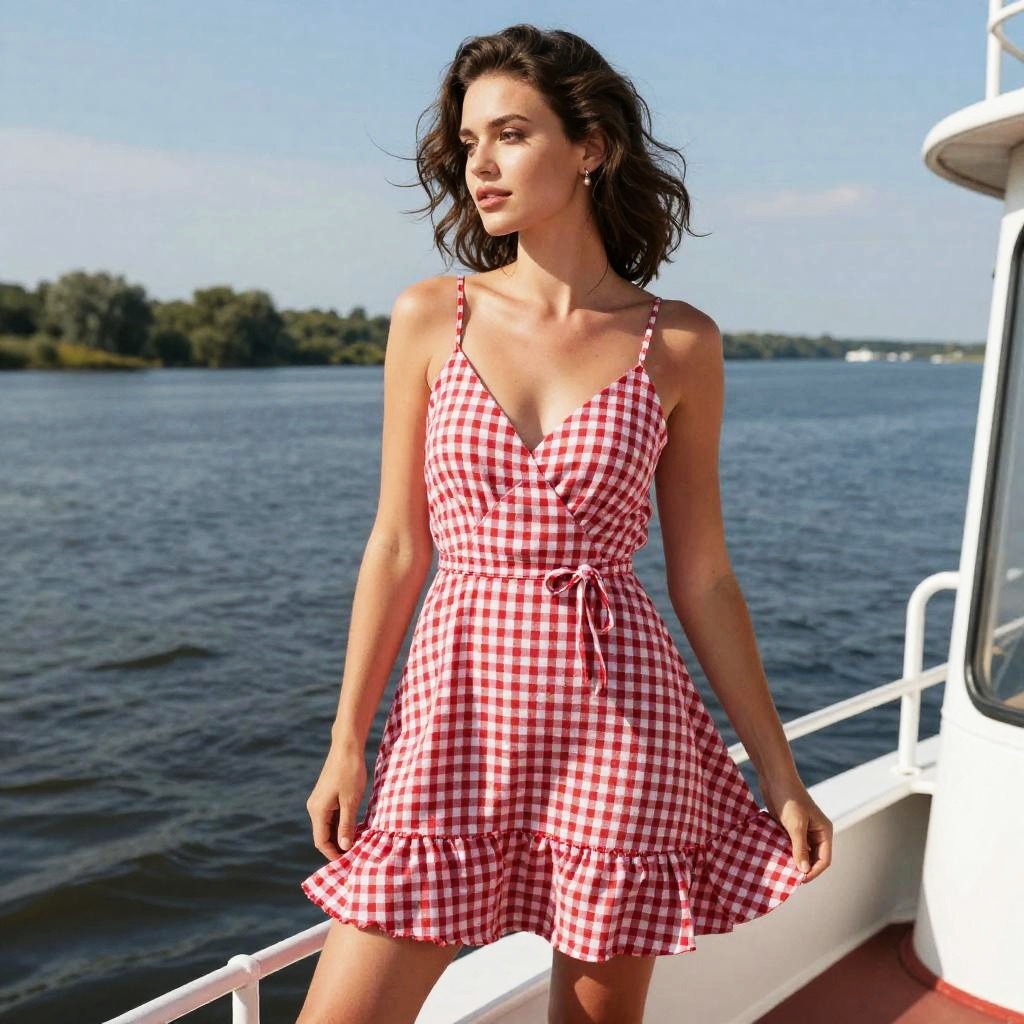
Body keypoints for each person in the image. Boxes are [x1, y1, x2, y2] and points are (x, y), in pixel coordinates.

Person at [295, 23, 833, 1024]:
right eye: (466, 142)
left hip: (618, 720)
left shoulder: (677, 343)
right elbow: (398, 545)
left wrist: (779, 771)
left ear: (590, 147)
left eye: (510, 133)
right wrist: (345, 740)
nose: (480, 164)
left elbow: (704, 576)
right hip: (454, 710)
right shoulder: (429, 315)